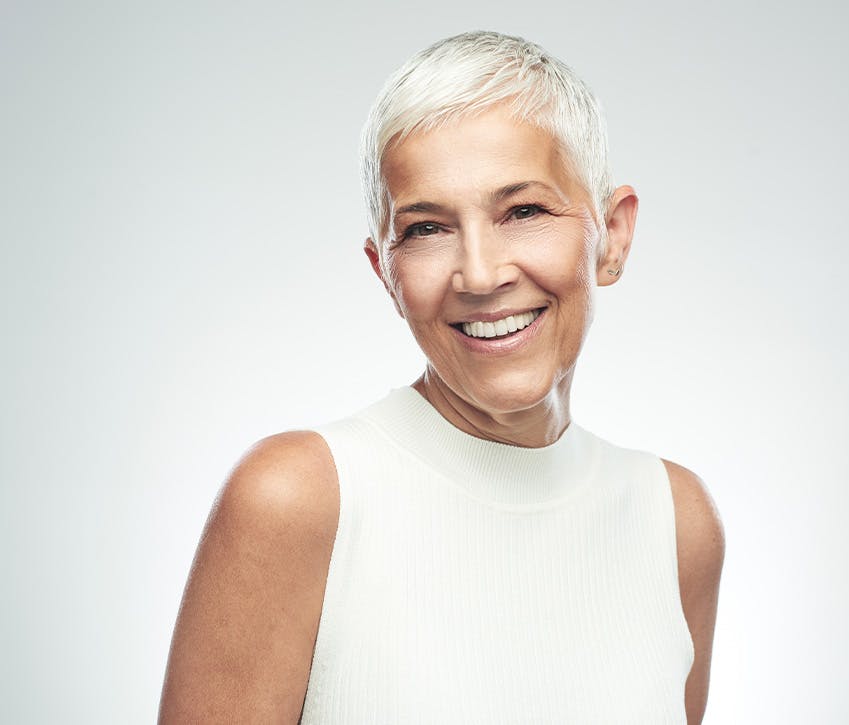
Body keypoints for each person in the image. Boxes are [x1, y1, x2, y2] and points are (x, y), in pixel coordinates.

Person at [159, 30, 724, 724]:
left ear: (612, 235)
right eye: (427, 228)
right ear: (387, 274)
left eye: (523, 211)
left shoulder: (677, 520)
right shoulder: (297, 498)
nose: (481, 274)